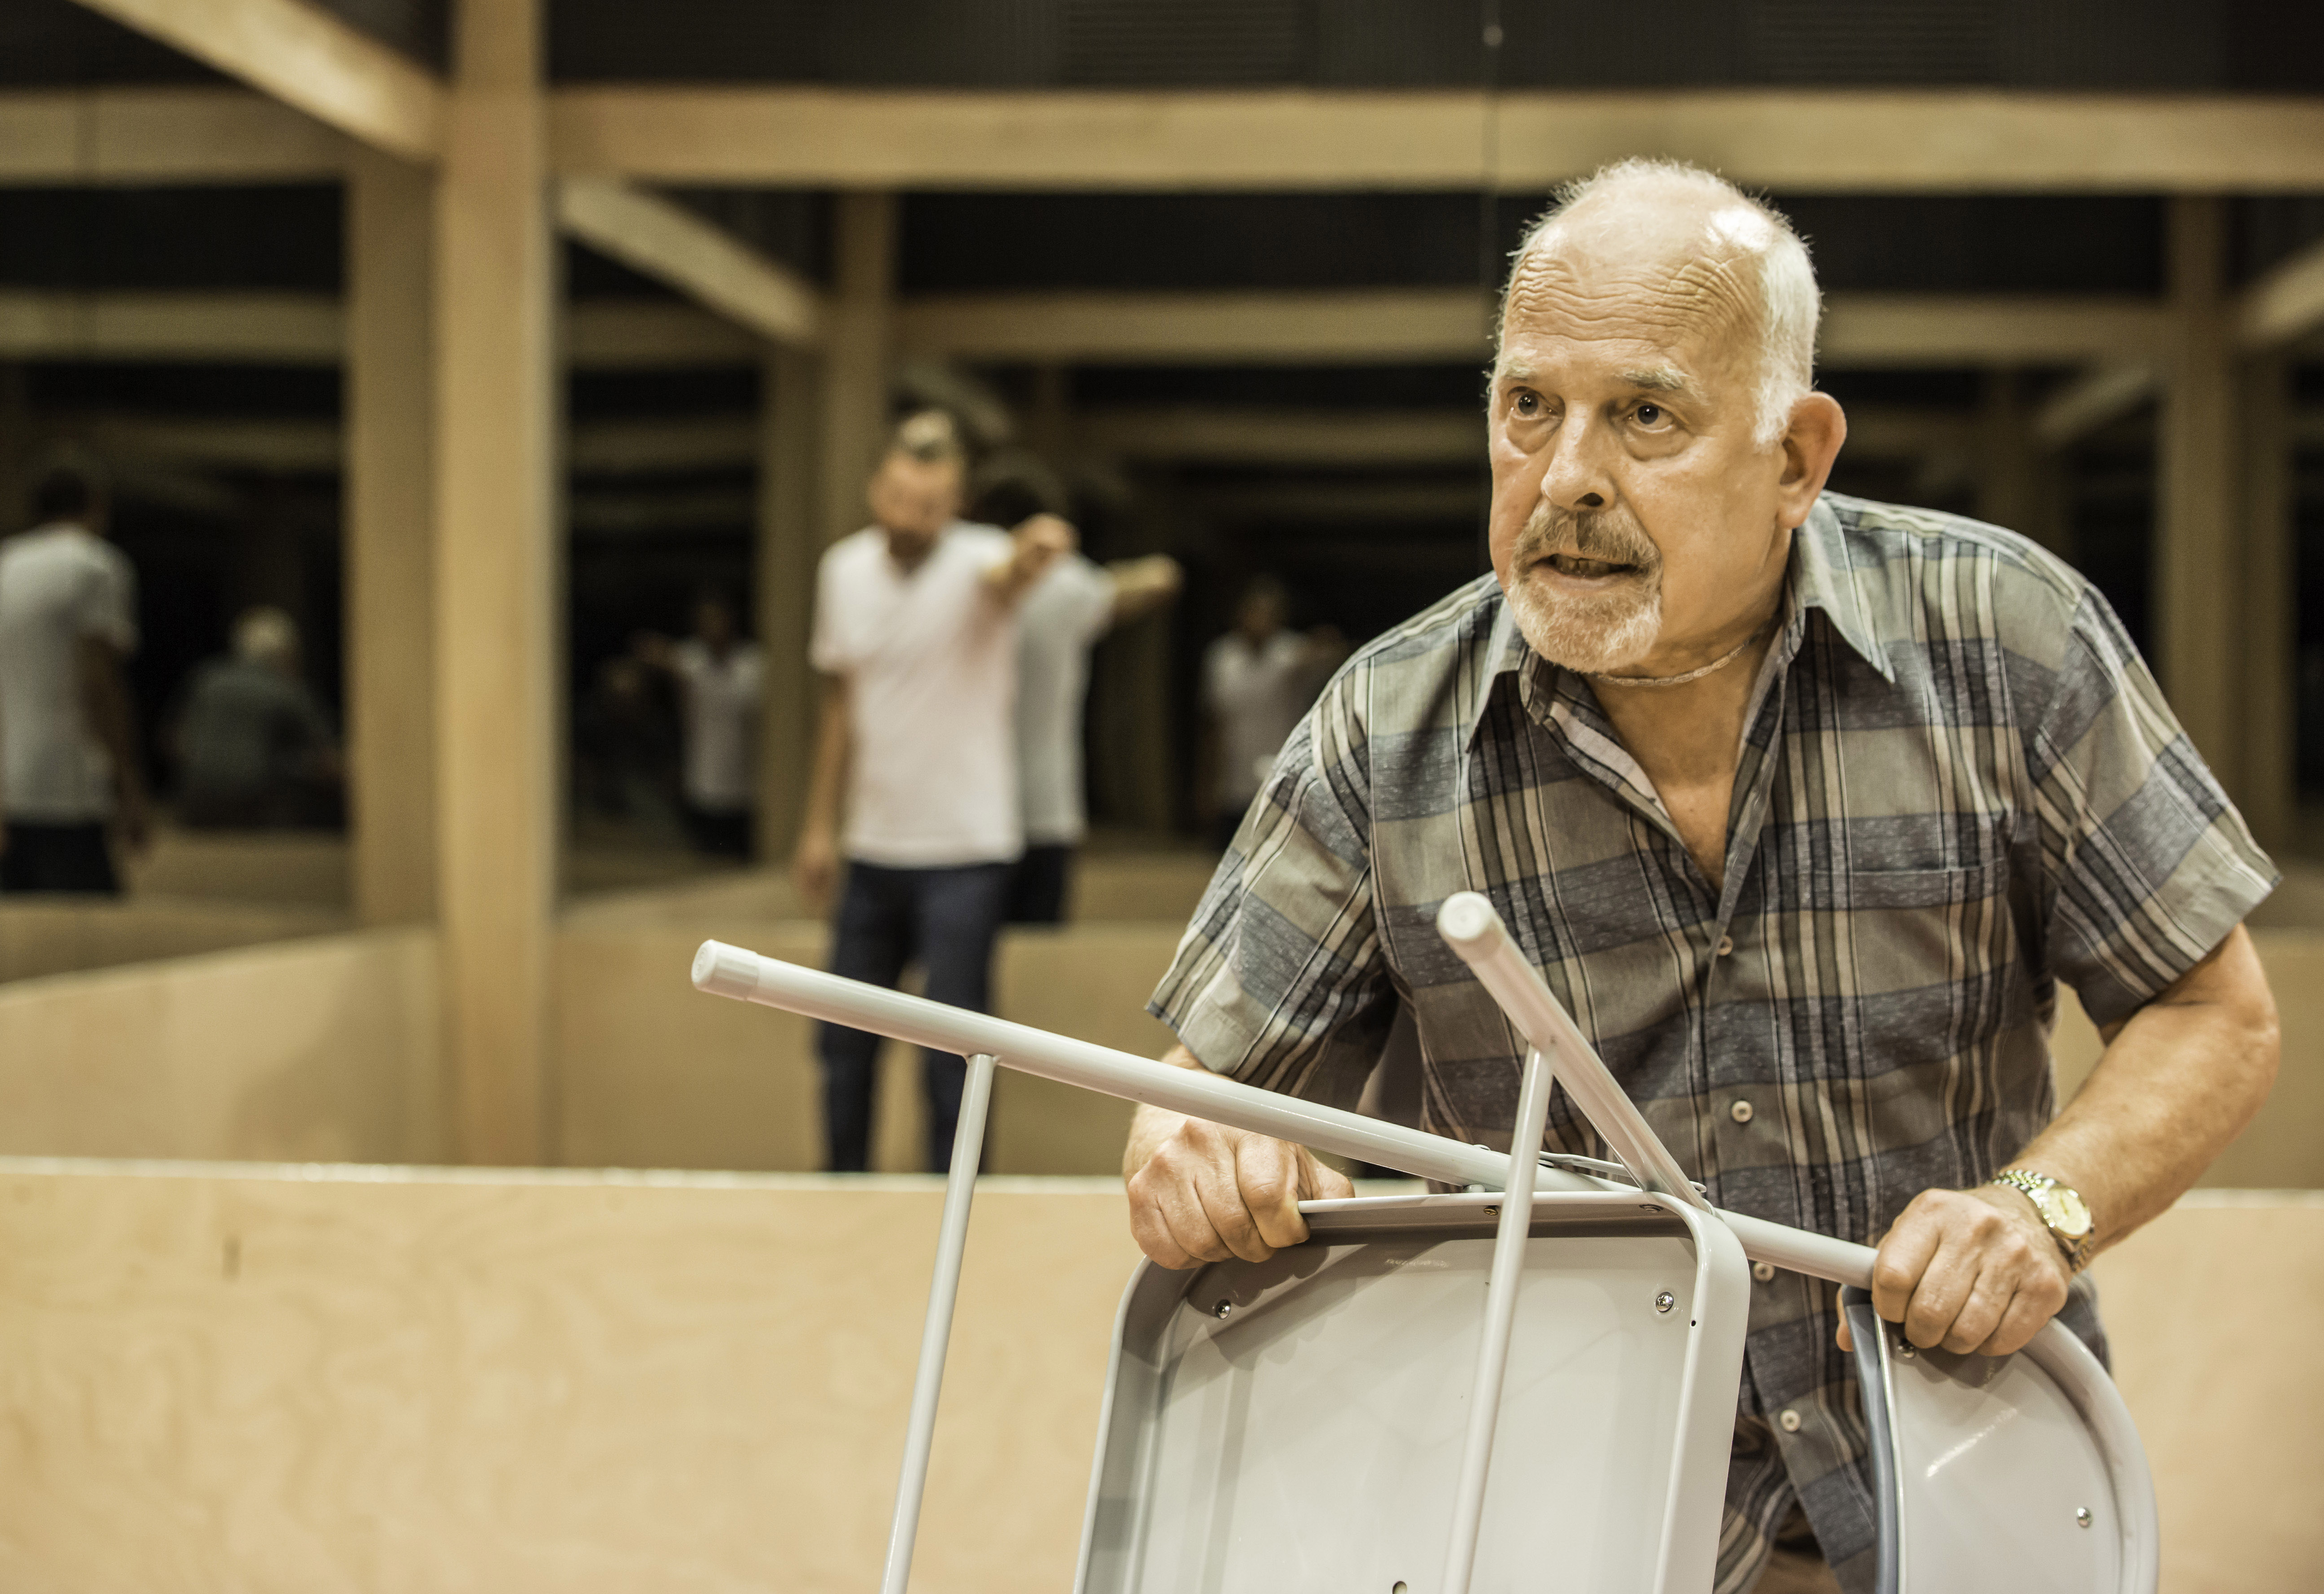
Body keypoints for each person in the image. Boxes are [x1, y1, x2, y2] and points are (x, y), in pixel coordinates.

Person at [1123, 161, 2280, 1594]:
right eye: (1527, 407)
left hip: (1957, 1479)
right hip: (1564, 1507)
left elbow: (2213, 1013)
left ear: (1796, 456)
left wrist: (2039, 1205)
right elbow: (1199, 1101)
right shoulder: (1387, 724)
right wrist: (1208, 1153)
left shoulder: (2008, 640)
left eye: (1645, 416)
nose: (1564, 480)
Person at [797, 411, 1074, 1173]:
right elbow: (839, 702)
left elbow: (1009, 573)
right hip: (875, 843)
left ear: (953, 506)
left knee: (951, 1048)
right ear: (874, 487)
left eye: (927, 505)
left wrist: (1035, 550)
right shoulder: (843, 570)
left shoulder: (978, 561)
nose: (907, 517)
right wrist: (819, 825)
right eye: (895, 496)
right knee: (842, 1039)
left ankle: (953, 1199)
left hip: (965, 850)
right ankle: (843, 1188)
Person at [972, 458, 1183, 925]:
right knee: (1033, 965)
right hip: (1046, 812)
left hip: (969, 813)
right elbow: (1157, 579)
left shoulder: (964, 583)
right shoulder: (1069, 586)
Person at [0, 464, 148, 894]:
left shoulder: (6, 562)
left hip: (7, 774)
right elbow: (100, 680)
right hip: (71, 779)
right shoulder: (97, 565)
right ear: (97, 504)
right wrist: (128, 782)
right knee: (93, 924)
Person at [1196, 576, 1342, 853]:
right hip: (1233, 781)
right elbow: (1213, 722)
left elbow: (1332, 656)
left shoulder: (1290, 654)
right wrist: (1207, 782)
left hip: (1280, 777)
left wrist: (1326, 644)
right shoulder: (1222, 657)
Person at [173, 607, 342, 830]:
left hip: (197, 804)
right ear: (285, 653)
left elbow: (175, 741)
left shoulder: (206, 679)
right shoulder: (286, 688)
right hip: (258, 809)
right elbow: (328, 759)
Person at [635, 589, 765, 860]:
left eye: (717, 620)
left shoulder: (753, 664)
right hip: (703, 784)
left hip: (747, 785)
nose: (712, 628)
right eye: (705, 621)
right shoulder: (692, 660)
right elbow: (654, 651)